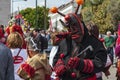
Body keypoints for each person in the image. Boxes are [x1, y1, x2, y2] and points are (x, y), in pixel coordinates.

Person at [49, 1, 107, 79]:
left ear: (81, 25)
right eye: (69, 28)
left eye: (74, 26)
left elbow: (100, 62)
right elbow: (56, 59)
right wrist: (59, 66)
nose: (72, 30)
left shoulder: (94, 42)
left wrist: (81, 63)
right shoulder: (65, 41)